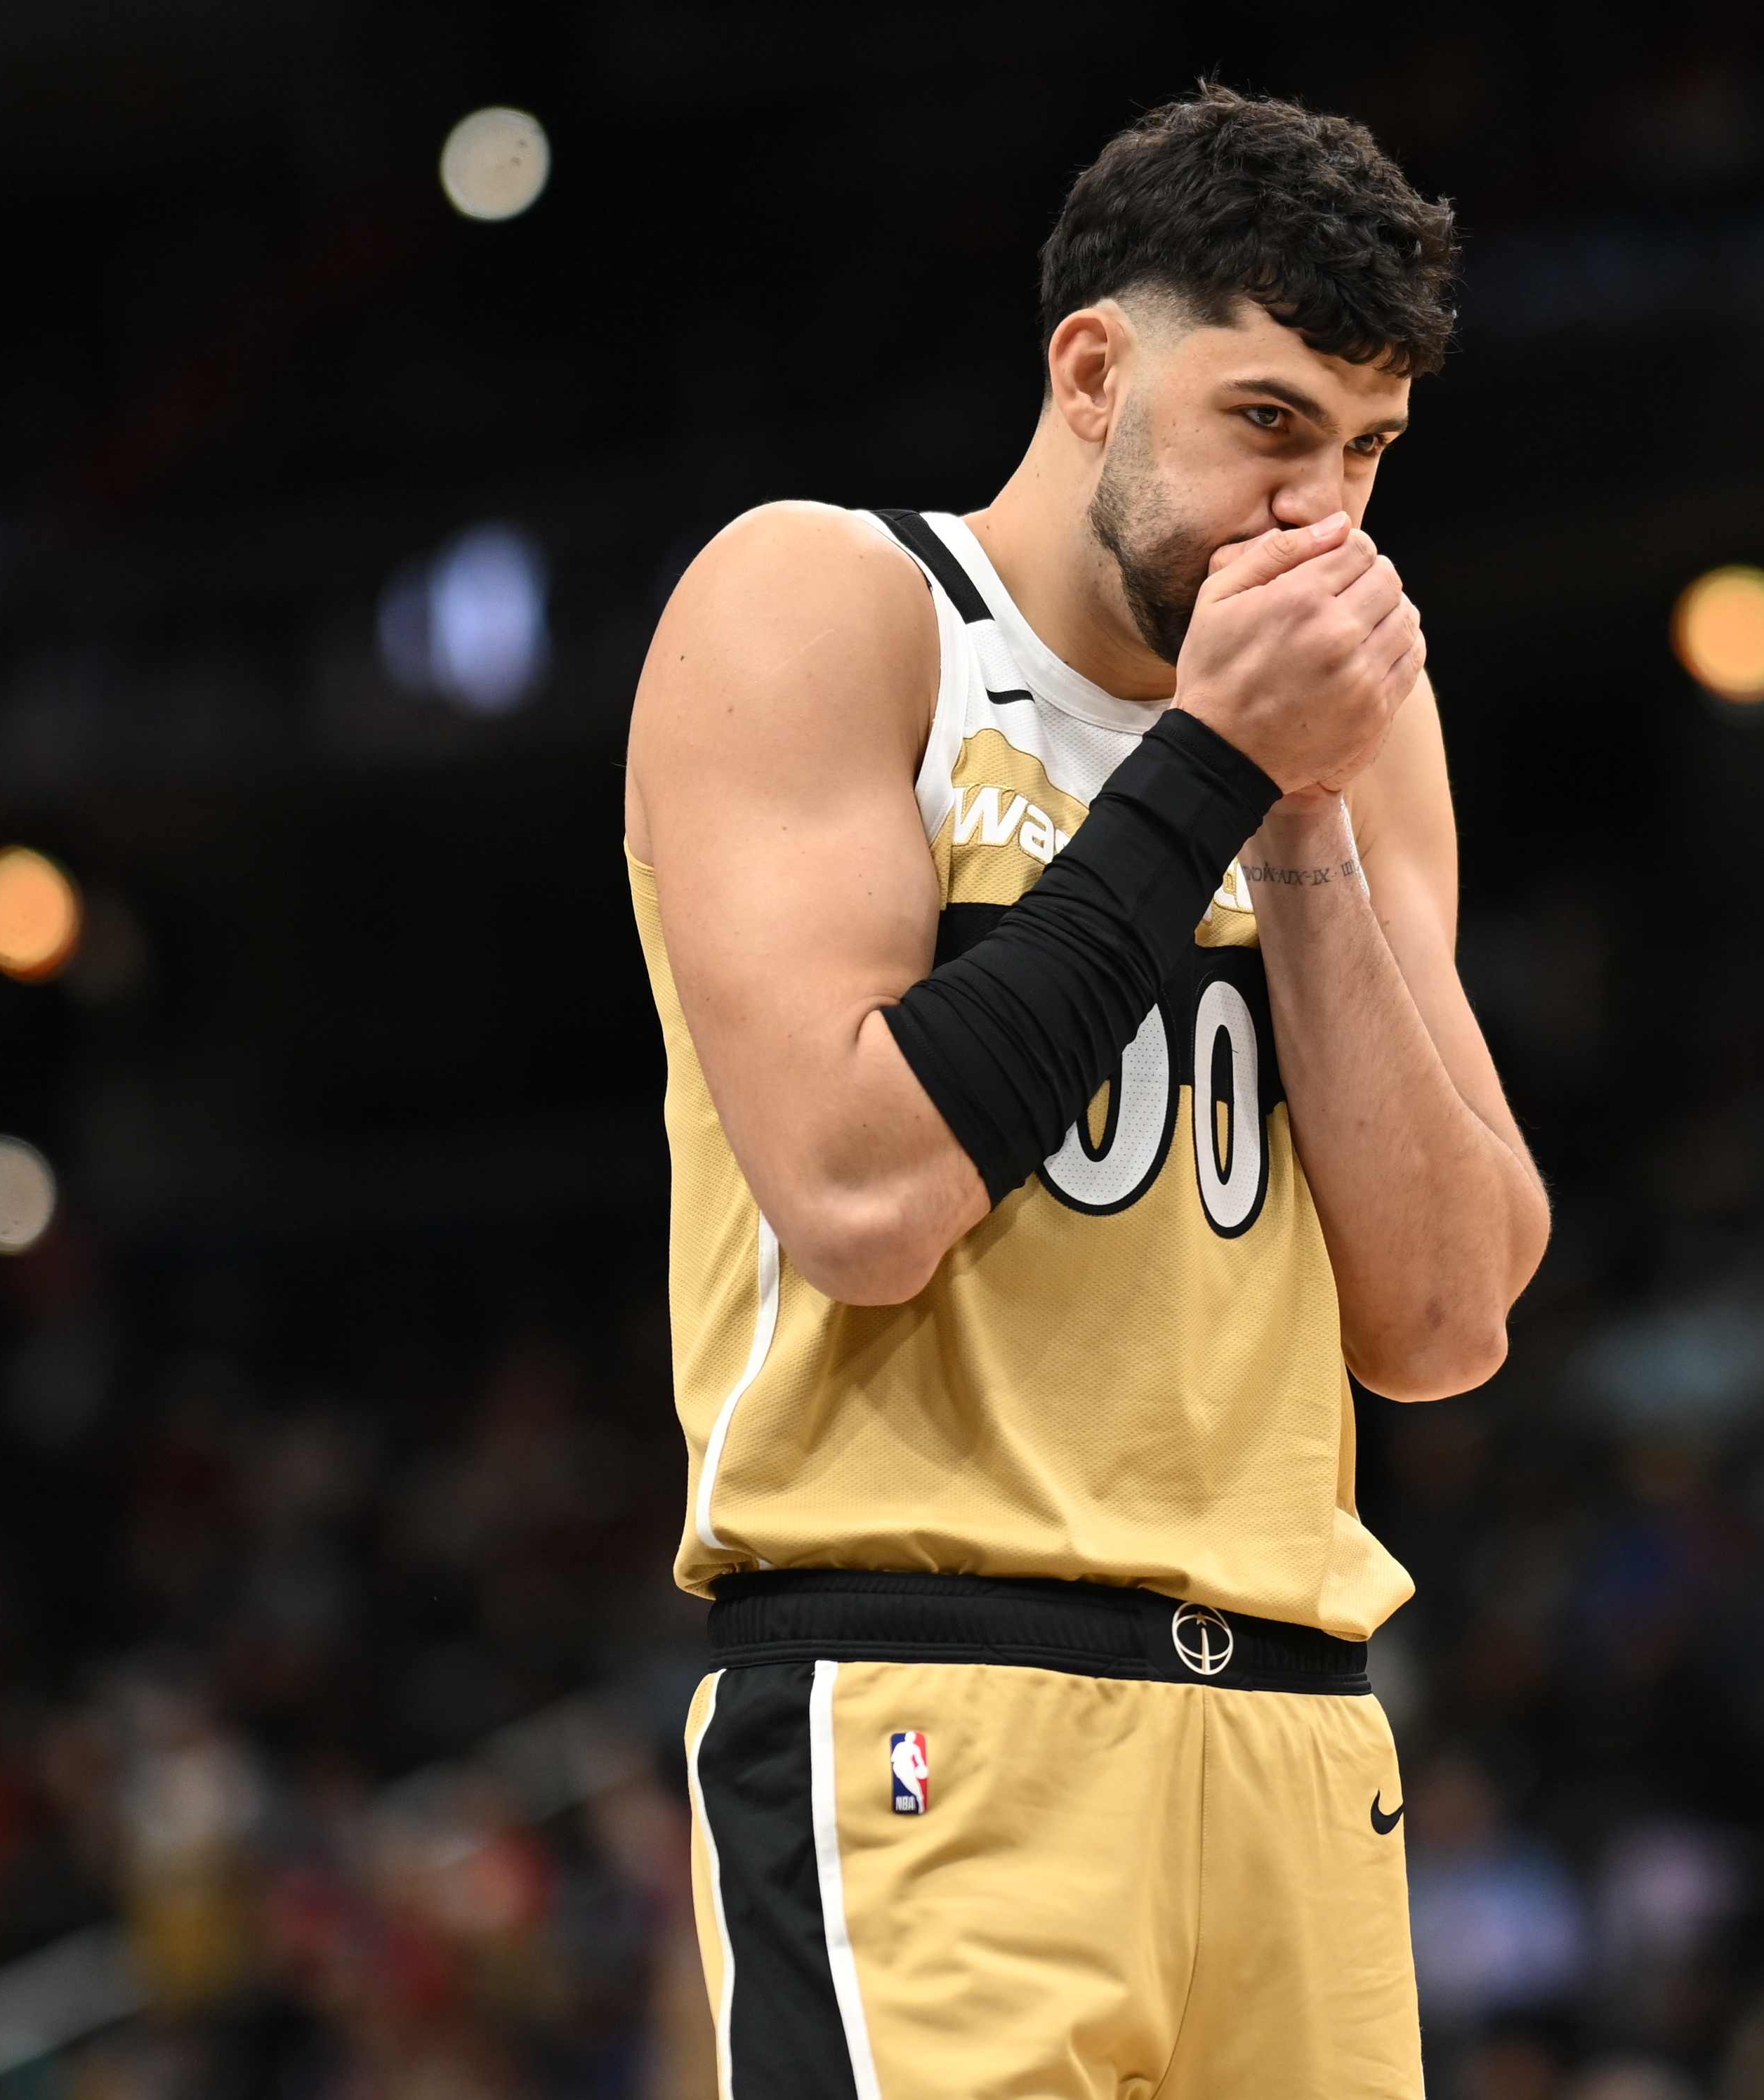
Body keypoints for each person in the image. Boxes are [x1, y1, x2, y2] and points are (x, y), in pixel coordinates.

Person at [620, 84, 1547, 2100]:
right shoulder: (827, 605)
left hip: (1299, 1729)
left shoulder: (1355, 739)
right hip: (930, 1699)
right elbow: (860, 1195)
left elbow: (1446, 1313)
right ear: (1095, 373)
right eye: (1270, 424)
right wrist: (1210, 768)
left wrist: (1300, 814)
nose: (1318, 518)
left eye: (1368, 451)